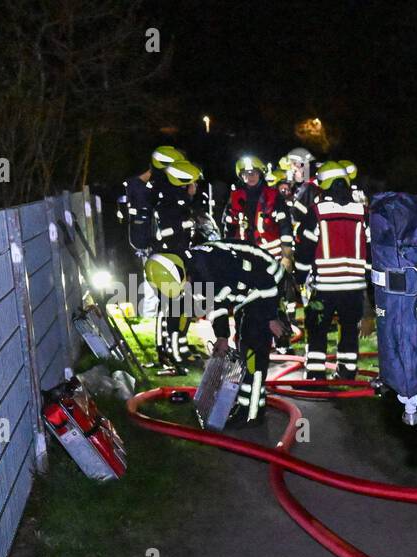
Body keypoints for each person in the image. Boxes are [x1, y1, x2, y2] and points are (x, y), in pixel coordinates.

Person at [143, 240, 291, 426]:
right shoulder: (190, 270)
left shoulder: (217, 263)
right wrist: (222, 336)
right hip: (245, 293)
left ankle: (252, 415)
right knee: (244, 345)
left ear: (183, 271)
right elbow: (216, 302)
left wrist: (271, 317)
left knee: (253, 351)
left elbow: (264, 280)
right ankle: (246, 403)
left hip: (266, 283)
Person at [125, 146, 211, 372]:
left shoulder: (167, 196)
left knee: (175, 306)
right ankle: (172, 353)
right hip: (167, 260)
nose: (194, 187)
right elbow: (173, 237)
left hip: (168, 258)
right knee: (174, 306)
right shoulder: (166, 200)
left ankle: (176, 348)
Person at [293, 160, 369, 381]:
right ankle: (347, 373)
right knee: (348, 330)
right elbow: (371, 250)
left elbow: (305, 250)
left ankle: (316, 373)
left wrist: (298, 278)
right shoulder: (362, 212)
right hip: (355, 288)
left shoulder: (316, 212)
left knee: (317, 328)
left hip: (324, 287)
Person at [223, 155, 293, 262]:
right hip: (243, 254)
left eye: (253, 173)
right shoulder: (235, 198)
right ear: (241, 176)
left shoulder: (273, 196)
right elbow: (229, 228)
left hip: (271, 255)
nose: (250, 177)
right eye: (245, 174)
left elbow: (285, 225)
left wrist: (287, 255)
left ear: (260, 174)